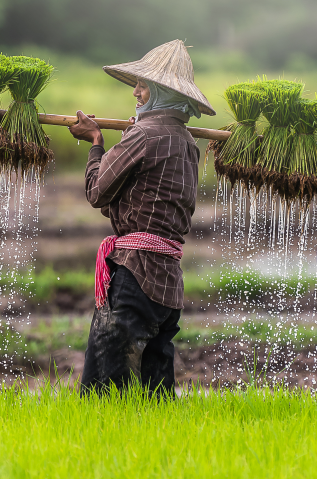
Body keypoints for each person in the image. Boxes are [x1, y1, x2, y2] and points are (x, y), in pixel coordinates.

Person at [67, 40, 216, 397]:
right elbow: (138, 200)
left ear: (161, 92)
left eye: (143, 85)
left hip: (136, 274)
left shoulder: (144, 135)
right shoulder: (185, 141)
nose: (135, 91)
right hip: (167, 282)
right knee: (155, 387)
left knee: (106, 384)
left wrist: (95, 142)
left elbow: (97, 193)